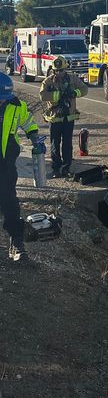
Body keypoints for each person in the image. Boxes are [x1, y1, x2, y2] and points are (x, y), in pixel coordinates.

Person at [0, 72, 46, 262]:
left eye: (4, 99)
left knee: (9, 199)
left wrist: (34, 136)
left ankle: (16, 242)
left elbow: (26, 120)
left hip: (6, 161)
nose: (2, 103)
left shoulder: (16, 105)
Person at [40, 55, 88, 178]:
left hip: (68, 118)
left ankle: (66, 168)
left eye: (61, 70)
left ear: (65, 69)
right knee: (55, 144)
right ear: (53, 70)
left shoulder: (72, 79)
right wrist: (58, 96)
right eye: (57, 71)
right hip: (55, 118)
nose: (59, 73)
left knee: (67, 144)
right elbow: (43, 95)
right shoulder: (48, 81)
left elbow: (84, 89)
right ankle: (56, 168)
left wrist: (74, 93)